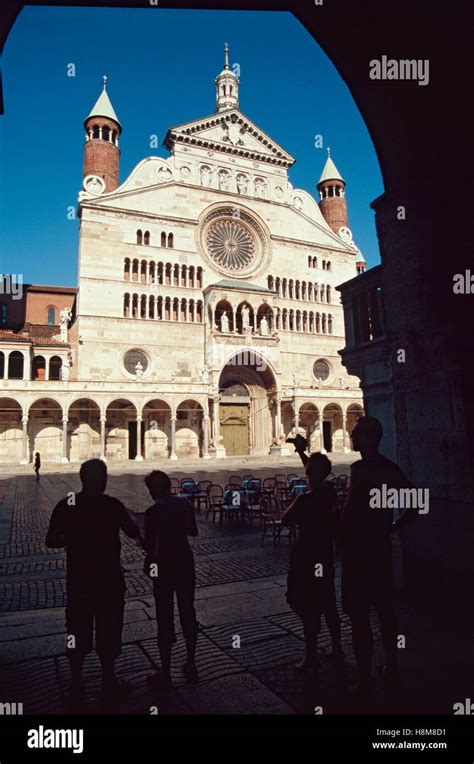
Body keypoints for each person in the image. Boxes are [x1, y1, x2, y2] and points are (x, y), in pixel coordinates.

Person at [45, 459, 141, 703]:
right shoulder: (112, 505)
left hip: (79, 580)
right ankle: (108, 682)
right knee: (109, 629)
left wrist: (74, 537)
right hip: (109, 579)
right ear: (104, 479)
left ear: (81, 478)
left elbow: (52, 540)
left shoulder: (68, 504)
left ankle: (76, 684)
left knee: (76, 629)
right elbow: (132, 532)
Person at [342, 416, 417, 695]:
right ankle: (382, 668)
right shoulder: (360, 467)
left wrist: (392, 528)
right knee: (376, 612)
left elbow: (415, 505)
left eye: (357, 434)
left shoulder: (384, 469)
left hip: (369, 553)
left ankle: (370, 675)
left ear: (371, 438)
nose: (352, 437)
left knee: (370, 614)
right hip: (362, 551)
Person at [282, 443, 343, 674]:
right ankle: (337, 647)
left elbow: (286, 520)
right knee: (328, 601)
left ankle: (310, 655)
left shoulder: (304, 500)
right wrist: (301, 452)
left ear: (308, 473)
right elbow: (315, 472)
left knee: (309, 605)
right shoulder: (329, 492)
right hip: (324, 554)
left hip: (305, 555)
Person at [143, 470, 199, 687]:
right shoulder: (184, 503)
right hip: (185, 561)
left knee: (164, 613)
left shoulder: (152, 511)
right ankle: (191, 662)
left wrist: (141, 539)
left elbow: (149, 544)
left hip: (163, 564)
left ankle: (165, 670)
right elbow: (192, 531)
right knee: (188, 609)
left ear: (152, 489)